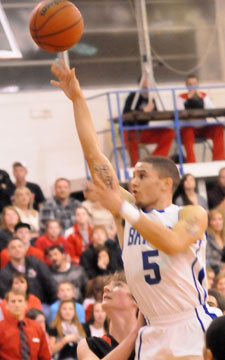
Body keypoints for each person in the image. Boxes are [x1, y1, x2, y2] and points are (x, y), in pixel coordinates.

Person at [51, 59, 216, 359]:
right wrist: (77, 99)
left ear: (167, 184)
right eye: (133, 175)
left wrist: (124, 211)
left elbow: (173, 242)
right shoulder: (126, 211)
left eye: (142, 176)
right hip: (152, 331)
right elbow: (93, 154)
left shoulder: (190, 214)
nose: (133, 181)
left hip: (191, 323)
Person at [77, 272, 143, 360]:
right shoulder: (88, 345)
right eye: (107, 285)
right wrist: (135, 333)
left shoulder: (151, 343)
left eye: (118, 285)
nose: (105, 288)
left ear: (136, 299)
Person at [122, 76, 174, 166]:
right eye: (145, 87)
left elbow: (155, 115)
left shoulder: (151, 98)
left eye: (149, 86)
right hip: (131, 130)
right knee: (131, 140)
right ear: (140, 85)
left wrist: (152, 110)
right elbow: (126, 114)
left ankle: (155, 162)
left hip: (143, 130)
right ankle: (136, 166)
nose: (147, 89)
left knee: (169, 132)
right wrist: (143, 111)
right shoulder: (132, 97)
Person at [177, 74, 225, 163]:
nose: (192, 86)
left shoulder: (203, 95)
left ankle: (219, 160)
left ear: (198, 84)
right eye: (190, 84)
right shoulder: (181, 97)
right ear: (186, 85)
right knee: (187, 131)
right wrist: (189, 98)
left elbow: (212, 110)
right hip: (189, 127)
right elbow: (180, 111)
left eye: (194, 84)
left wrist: (201, 98)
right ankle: (192, 162)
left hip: (203, 127)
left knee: (218, 127)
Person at [0, 237, 57, 305]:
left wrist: (54, 303)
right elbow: (5, 295)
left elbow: (50, 282)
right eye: (13, 247)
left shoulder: (36, 263)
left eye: (20, 246)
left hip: (41, 304)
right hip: (16, 307)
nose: (17, 249)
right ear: (8, 252)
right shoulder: (4, 273)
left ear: (25, 249)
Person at [0, 288, 51, 359]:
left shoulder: (37, 327)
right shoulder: (1, 328)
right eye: (13, 301)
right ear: (7, 305)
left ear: (26, 304)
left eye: (20, 301)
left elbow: (45, 356)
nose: (17, 305)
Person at [206, 209, 225, 274]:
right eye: (214, 220)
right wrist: (221, 265)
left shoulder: (223, 237)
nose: (217, 222)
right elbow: (206, 259)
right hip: (212, 272)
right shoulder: (207, 238)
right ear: (209, 222)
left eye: (220, 219)